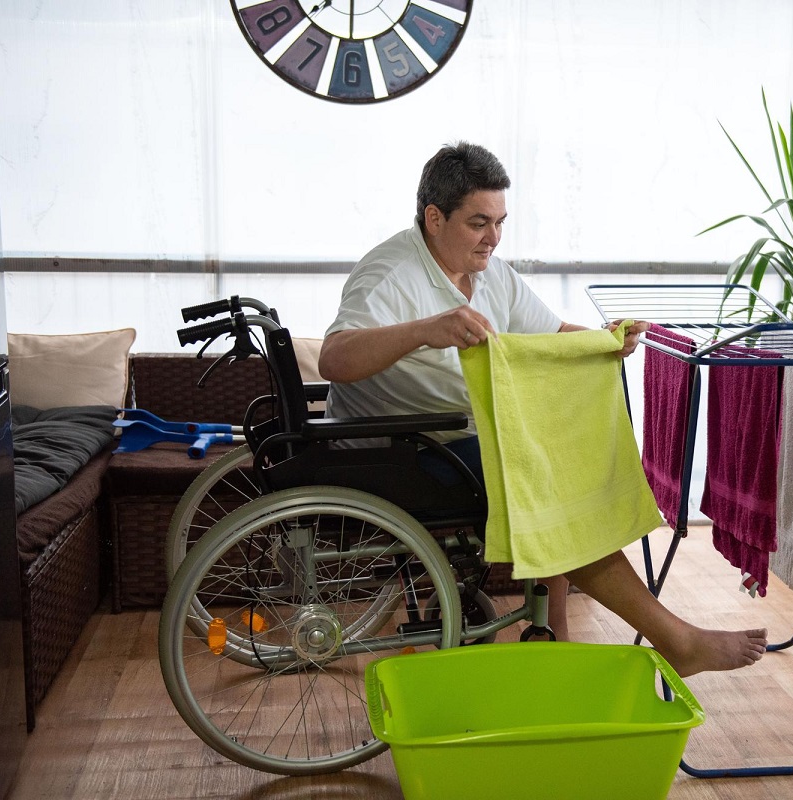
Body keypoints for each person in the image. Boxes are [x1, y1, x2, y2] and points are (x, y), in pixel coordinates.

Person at [318, 141, 767, 677]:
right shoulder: (390, 275)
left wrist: (606, 341)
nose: (494, 237)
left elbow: (551, 334)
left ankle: (556, 635)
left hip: (457, 435)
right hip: (400, 447)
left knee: (557, 463)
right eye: (479, 222)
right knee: (548, 482)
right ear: (433, 218)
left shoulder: (490, 272)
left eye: (501, 222)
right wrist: (426, 330)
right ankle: (676, 640)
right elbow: (334, 359)